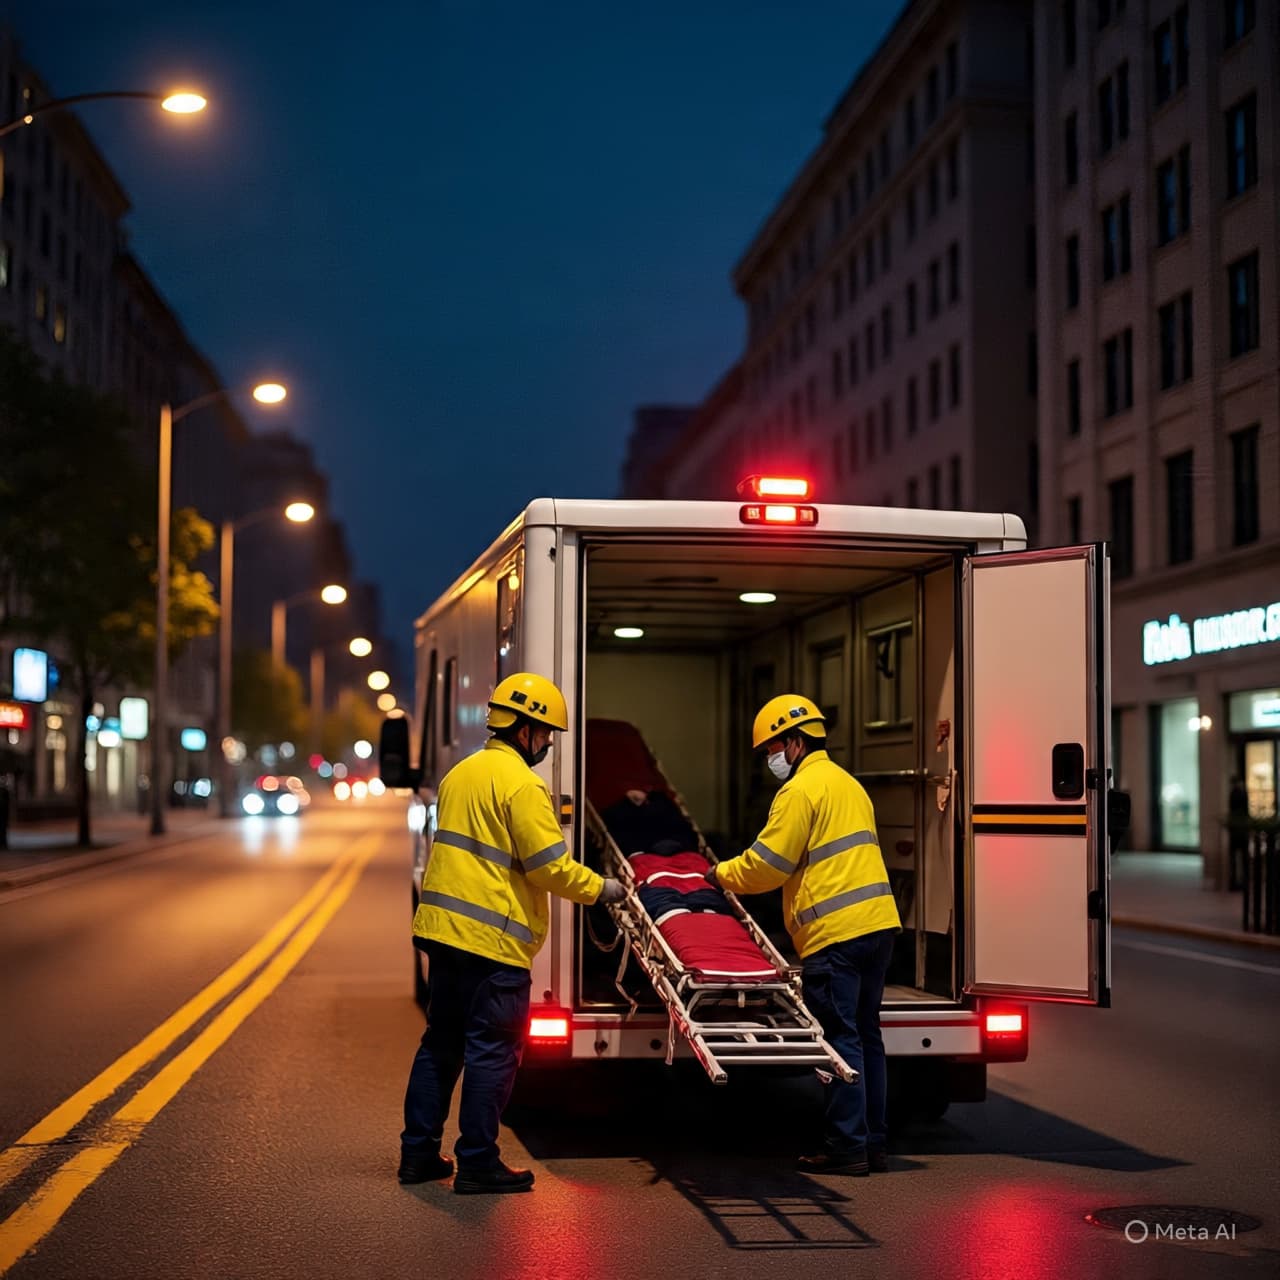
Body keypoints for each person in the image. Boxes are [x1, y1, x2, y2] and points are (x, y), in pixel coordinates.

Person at [398, 672, 625, 1194]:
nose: (546, 744)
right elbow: (550, 867)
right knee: (492, 1051)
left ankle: (418, 1156)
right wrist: (602, 890)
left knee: (441, 1045)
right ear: (524, 730)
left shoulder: (461, 774)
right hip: (492, 944)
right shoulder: (523, 785)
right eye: (545, 734)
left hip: (444, 935)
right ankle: (477, 1162)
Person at [707, 694, 901, 1176]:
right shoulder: (848, 784)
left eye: (772, 748)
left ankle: (846, 1148)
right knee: (867, 1036)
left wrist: (721, 874)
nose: (770, 759)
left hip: (835, 934)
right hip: (878, 926)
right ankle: (873, 1142)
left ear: (794, 742)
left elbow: (768, 865)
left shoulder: (799, 792)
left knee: (840, 1040)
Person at [1228, 775, 1250, 892]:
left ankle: (1236, 882)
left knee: (1236, 858)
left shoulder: (1235, 793)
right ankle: (1240, 881)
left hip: (1237, 830)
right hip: (1240, 830)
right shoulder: (1240, 793)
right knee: (1241, 858)